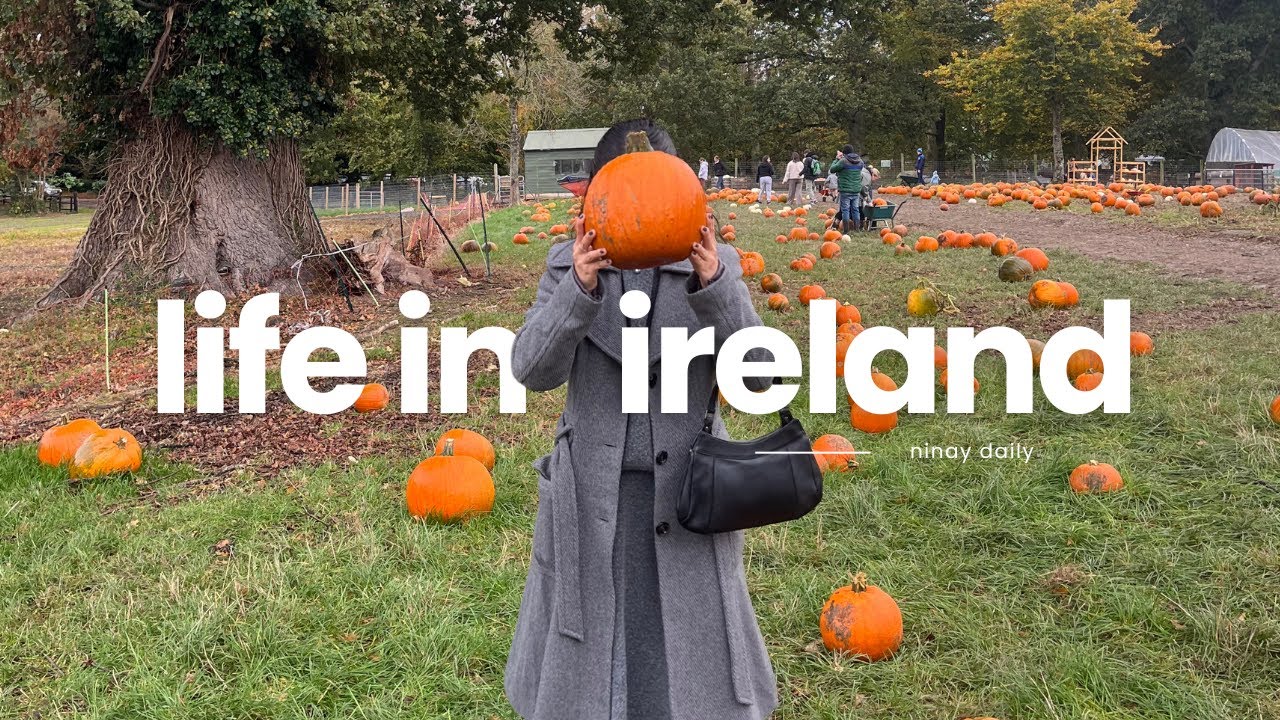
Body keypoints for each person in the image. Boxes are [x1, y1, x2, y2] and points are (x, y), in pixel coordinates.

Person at [505, 118, 779, 720]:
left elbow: (762, 377)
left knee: (682, 645)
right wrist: (580, 290)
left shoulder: (715, 265)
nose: (644, 202)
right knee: (597, 646)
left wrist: (717, 288)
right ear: (595, 198)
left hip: (688, 490)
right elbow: (531, 370)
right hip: (592, 491)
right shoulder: (565, 266)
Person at [827, 145, 866, 232]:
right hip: (856, 190)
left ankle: (846, 230)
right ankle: (857, 229)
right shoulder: (860, 161)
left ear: (844, 153)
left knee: (845, 210)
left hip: (845, 190)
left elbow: (832, 169)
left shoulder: (843, 161)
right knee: (855, 209)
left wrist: (837, 159)